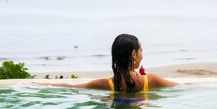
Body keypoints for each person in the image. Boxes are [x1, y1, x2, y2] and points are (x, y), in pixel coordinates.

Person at [39, 34, 177, 91]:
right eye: (141, 51)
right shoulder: (151, 80)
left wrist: (38, 83)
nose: (142, 55)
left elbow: (72, 86)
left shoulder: (105, 84)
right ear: (134, 54)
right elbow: (183, 86)